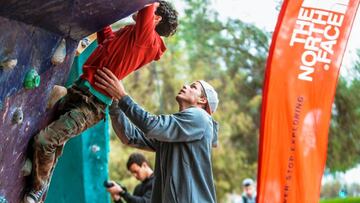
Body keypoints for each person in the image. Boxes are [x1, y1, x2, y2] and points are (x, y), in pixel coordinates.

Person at [24, 2, 178, 203]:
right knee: (54, 140)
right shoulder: (131, 34)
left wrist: (152, 5)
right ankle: (40, 181)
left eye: (149, 13)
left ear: (155, 19)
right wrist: (101, 20)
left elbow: (147, 5)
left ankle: (37, 189)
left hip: (92, 104)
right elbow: (108, 42)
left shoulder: (148, 40)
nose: (136, 11)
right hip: (81, 91)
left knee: (46, 140)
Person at [94, 68, 219, 203]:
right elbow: (130, 136)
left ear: (203, 100)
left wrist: (122, 96)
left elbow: (151, 125)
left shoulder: (200, 117)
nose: (185, 86)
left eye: (193, 87)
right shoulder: (174, 132)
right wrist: (115, 103)